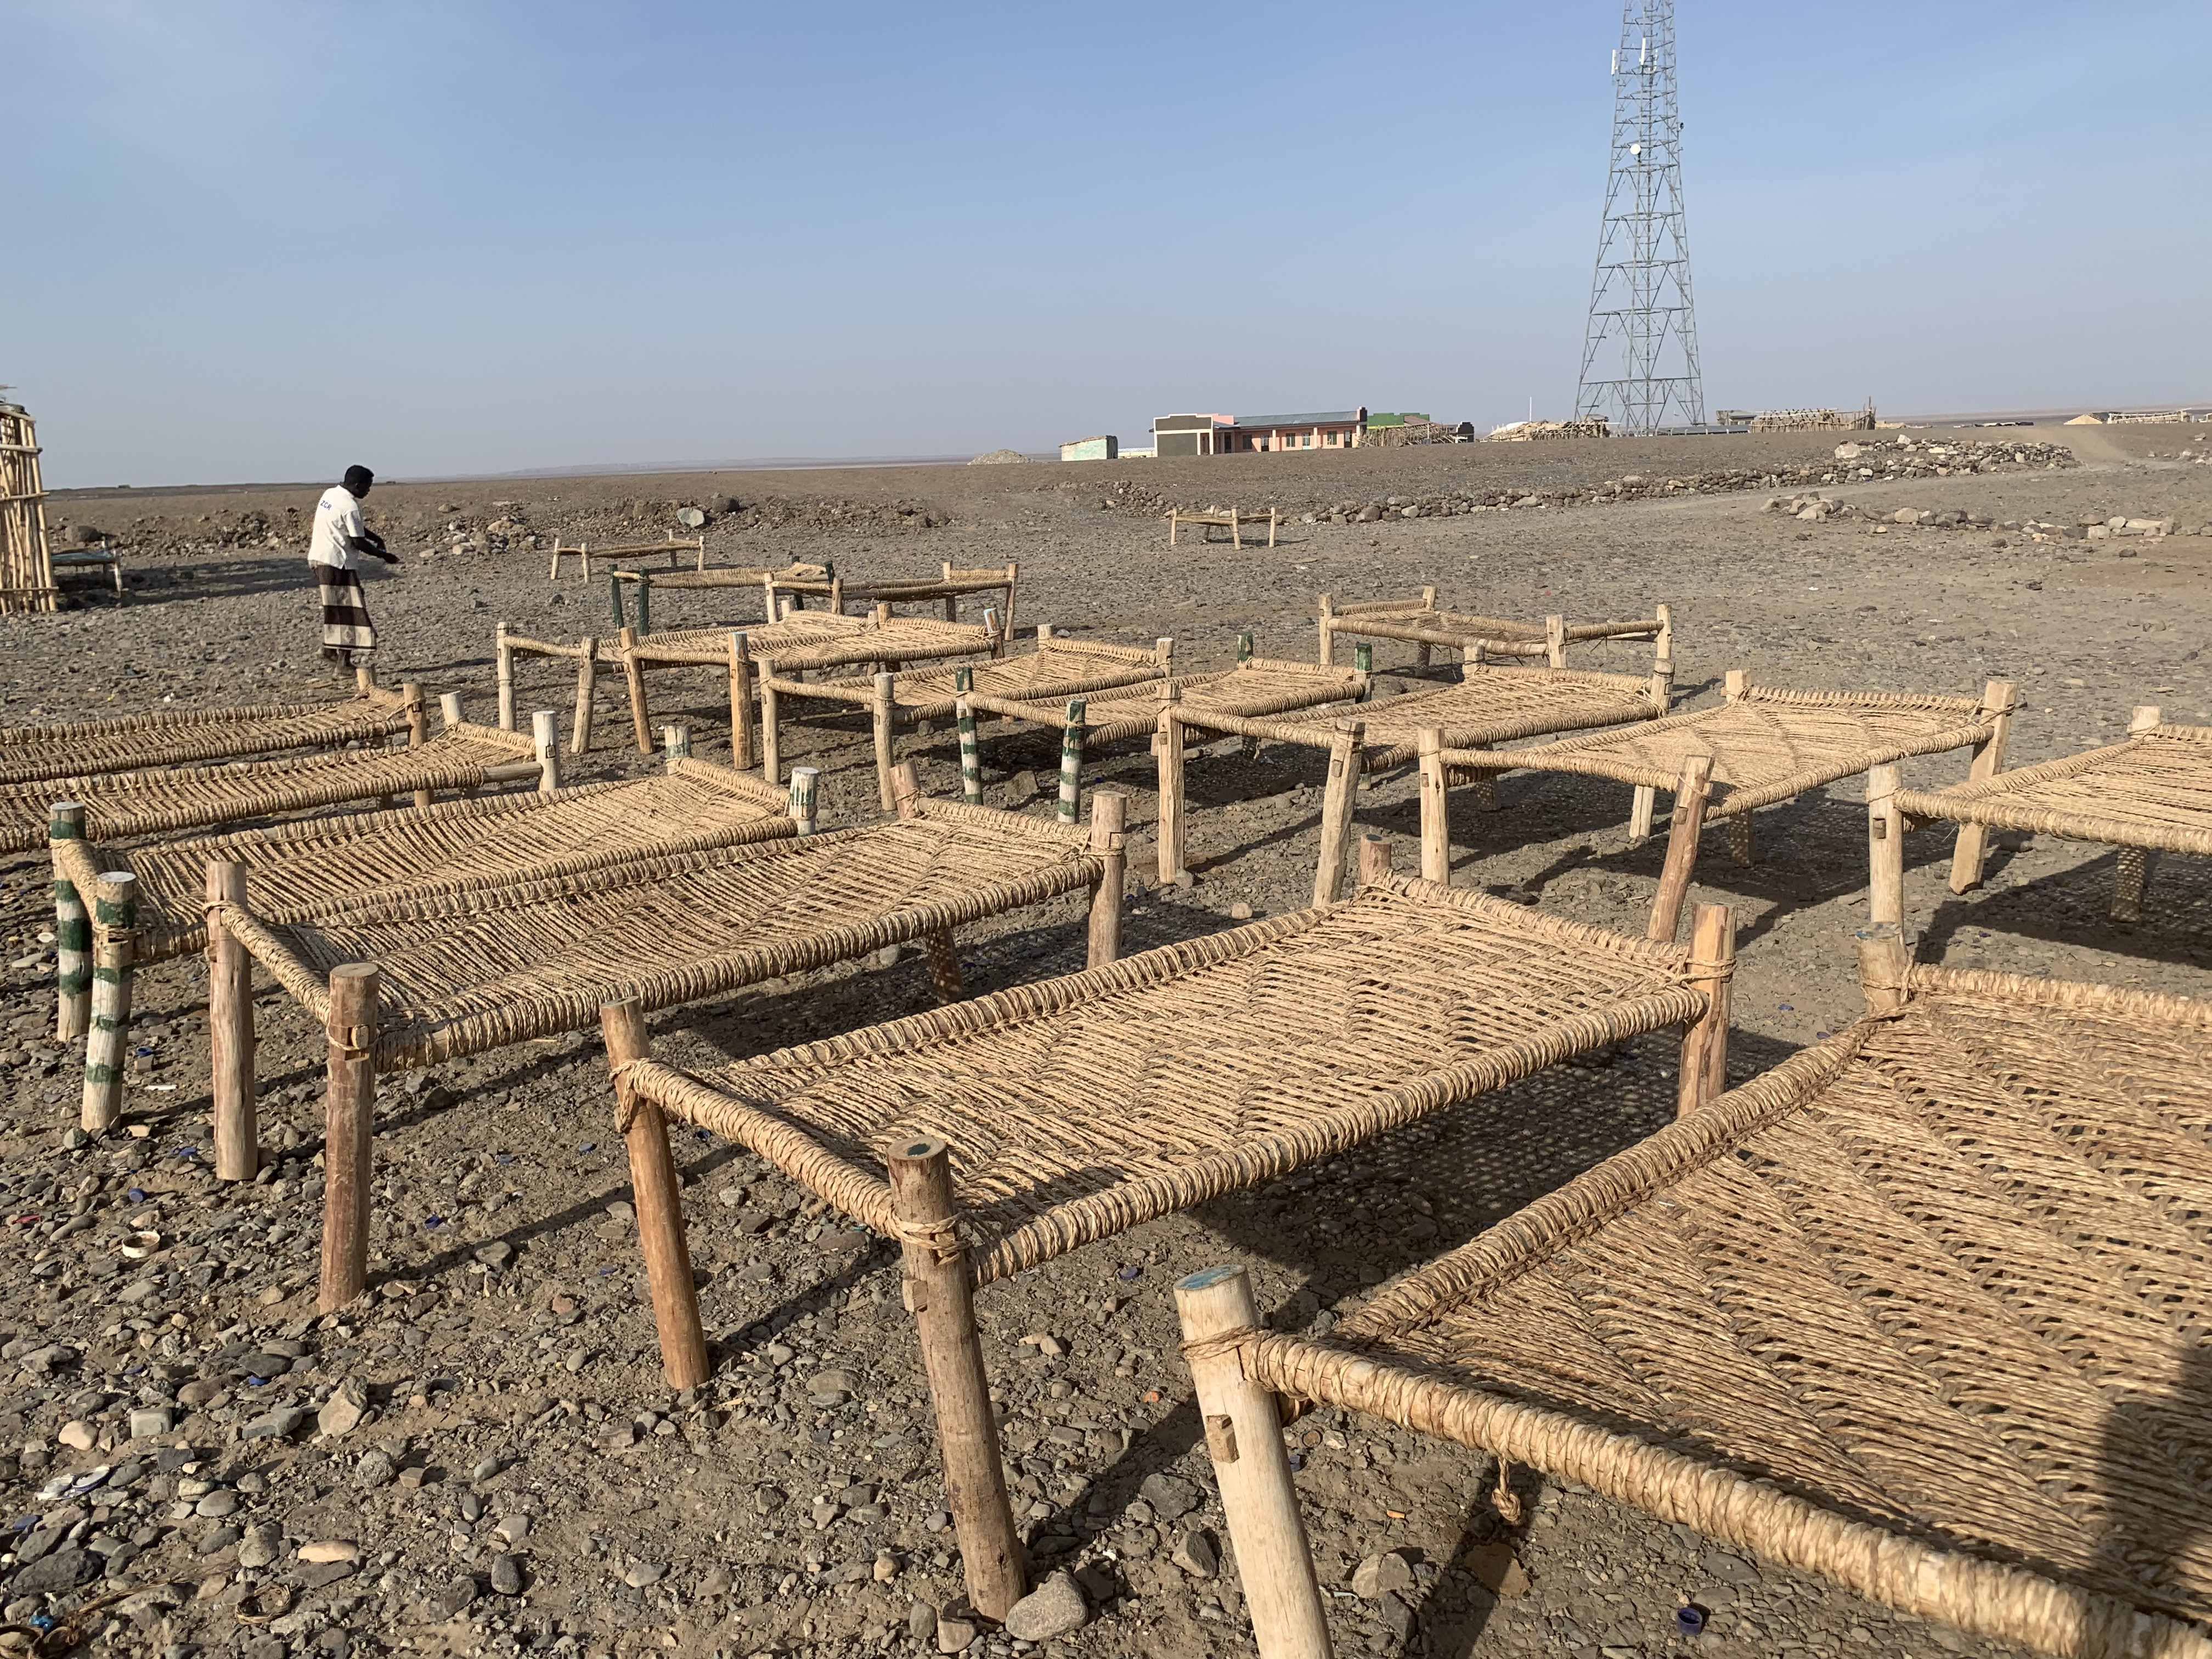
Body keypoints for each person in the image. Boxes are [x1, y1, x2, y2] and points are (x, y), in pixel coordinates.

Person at [308, 465, 398, 668]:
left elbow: (353, 527)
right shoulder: (351, 506)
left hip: (319, 558)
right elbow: (358, 541)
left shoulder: (330, 494)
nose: (369, 491)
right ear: (357, 485)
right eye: (368, 487)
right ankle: (343, 664)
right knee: (349, 611)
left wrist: (376, 538)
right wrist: (384, 556)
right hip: (337, 563)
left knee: (335, 607)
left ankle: (330, 649)